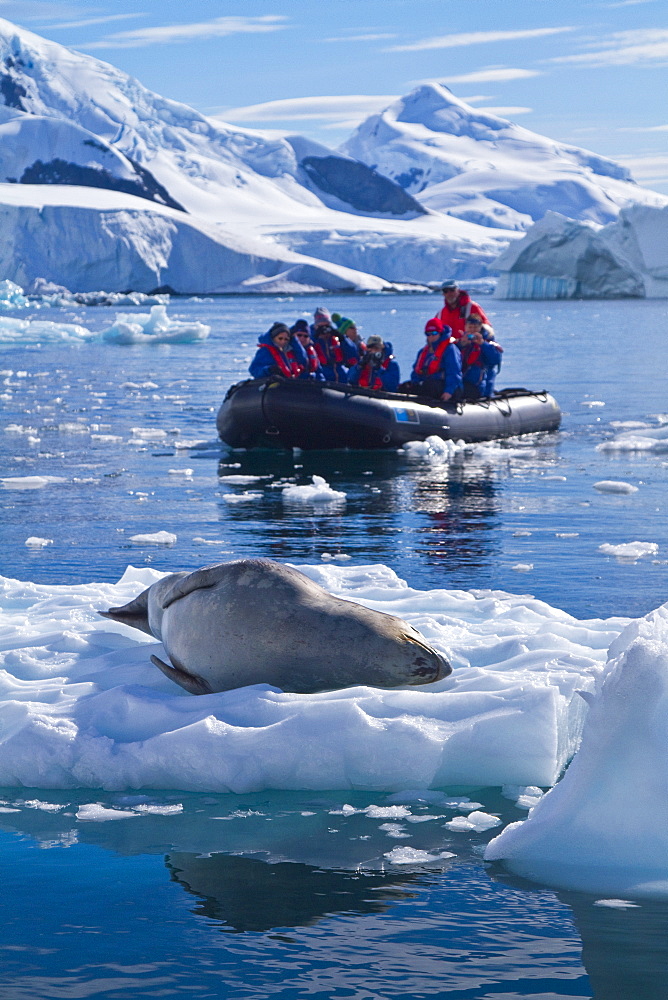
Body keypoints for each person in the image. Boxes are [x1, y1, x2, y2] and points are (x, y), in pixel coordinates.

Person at [402, 317, 462, 402]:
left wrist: (449, 391)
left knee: (430, 386)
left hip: (444, 385)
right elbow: (416, 371)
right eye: (428, 334)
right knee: (405, 387)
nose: (431, 336)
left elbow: (454, 372)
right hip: (427, 383)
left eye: (434, 333)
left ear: (440, 333)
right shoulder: (423, 352)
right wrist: (415, 383)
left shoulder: (450, 349)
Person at [458, 316, 503, 400]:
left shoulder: (490, 344)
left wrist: (482, 344)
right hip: (462, 382)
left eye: (475, 327)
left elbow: (495, 360)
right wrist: (461, 345)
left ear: (480, 327)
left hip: (480, 387)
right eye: (470, 327)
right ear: (465, 327)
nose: (472, 330)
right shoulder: (460, 342)